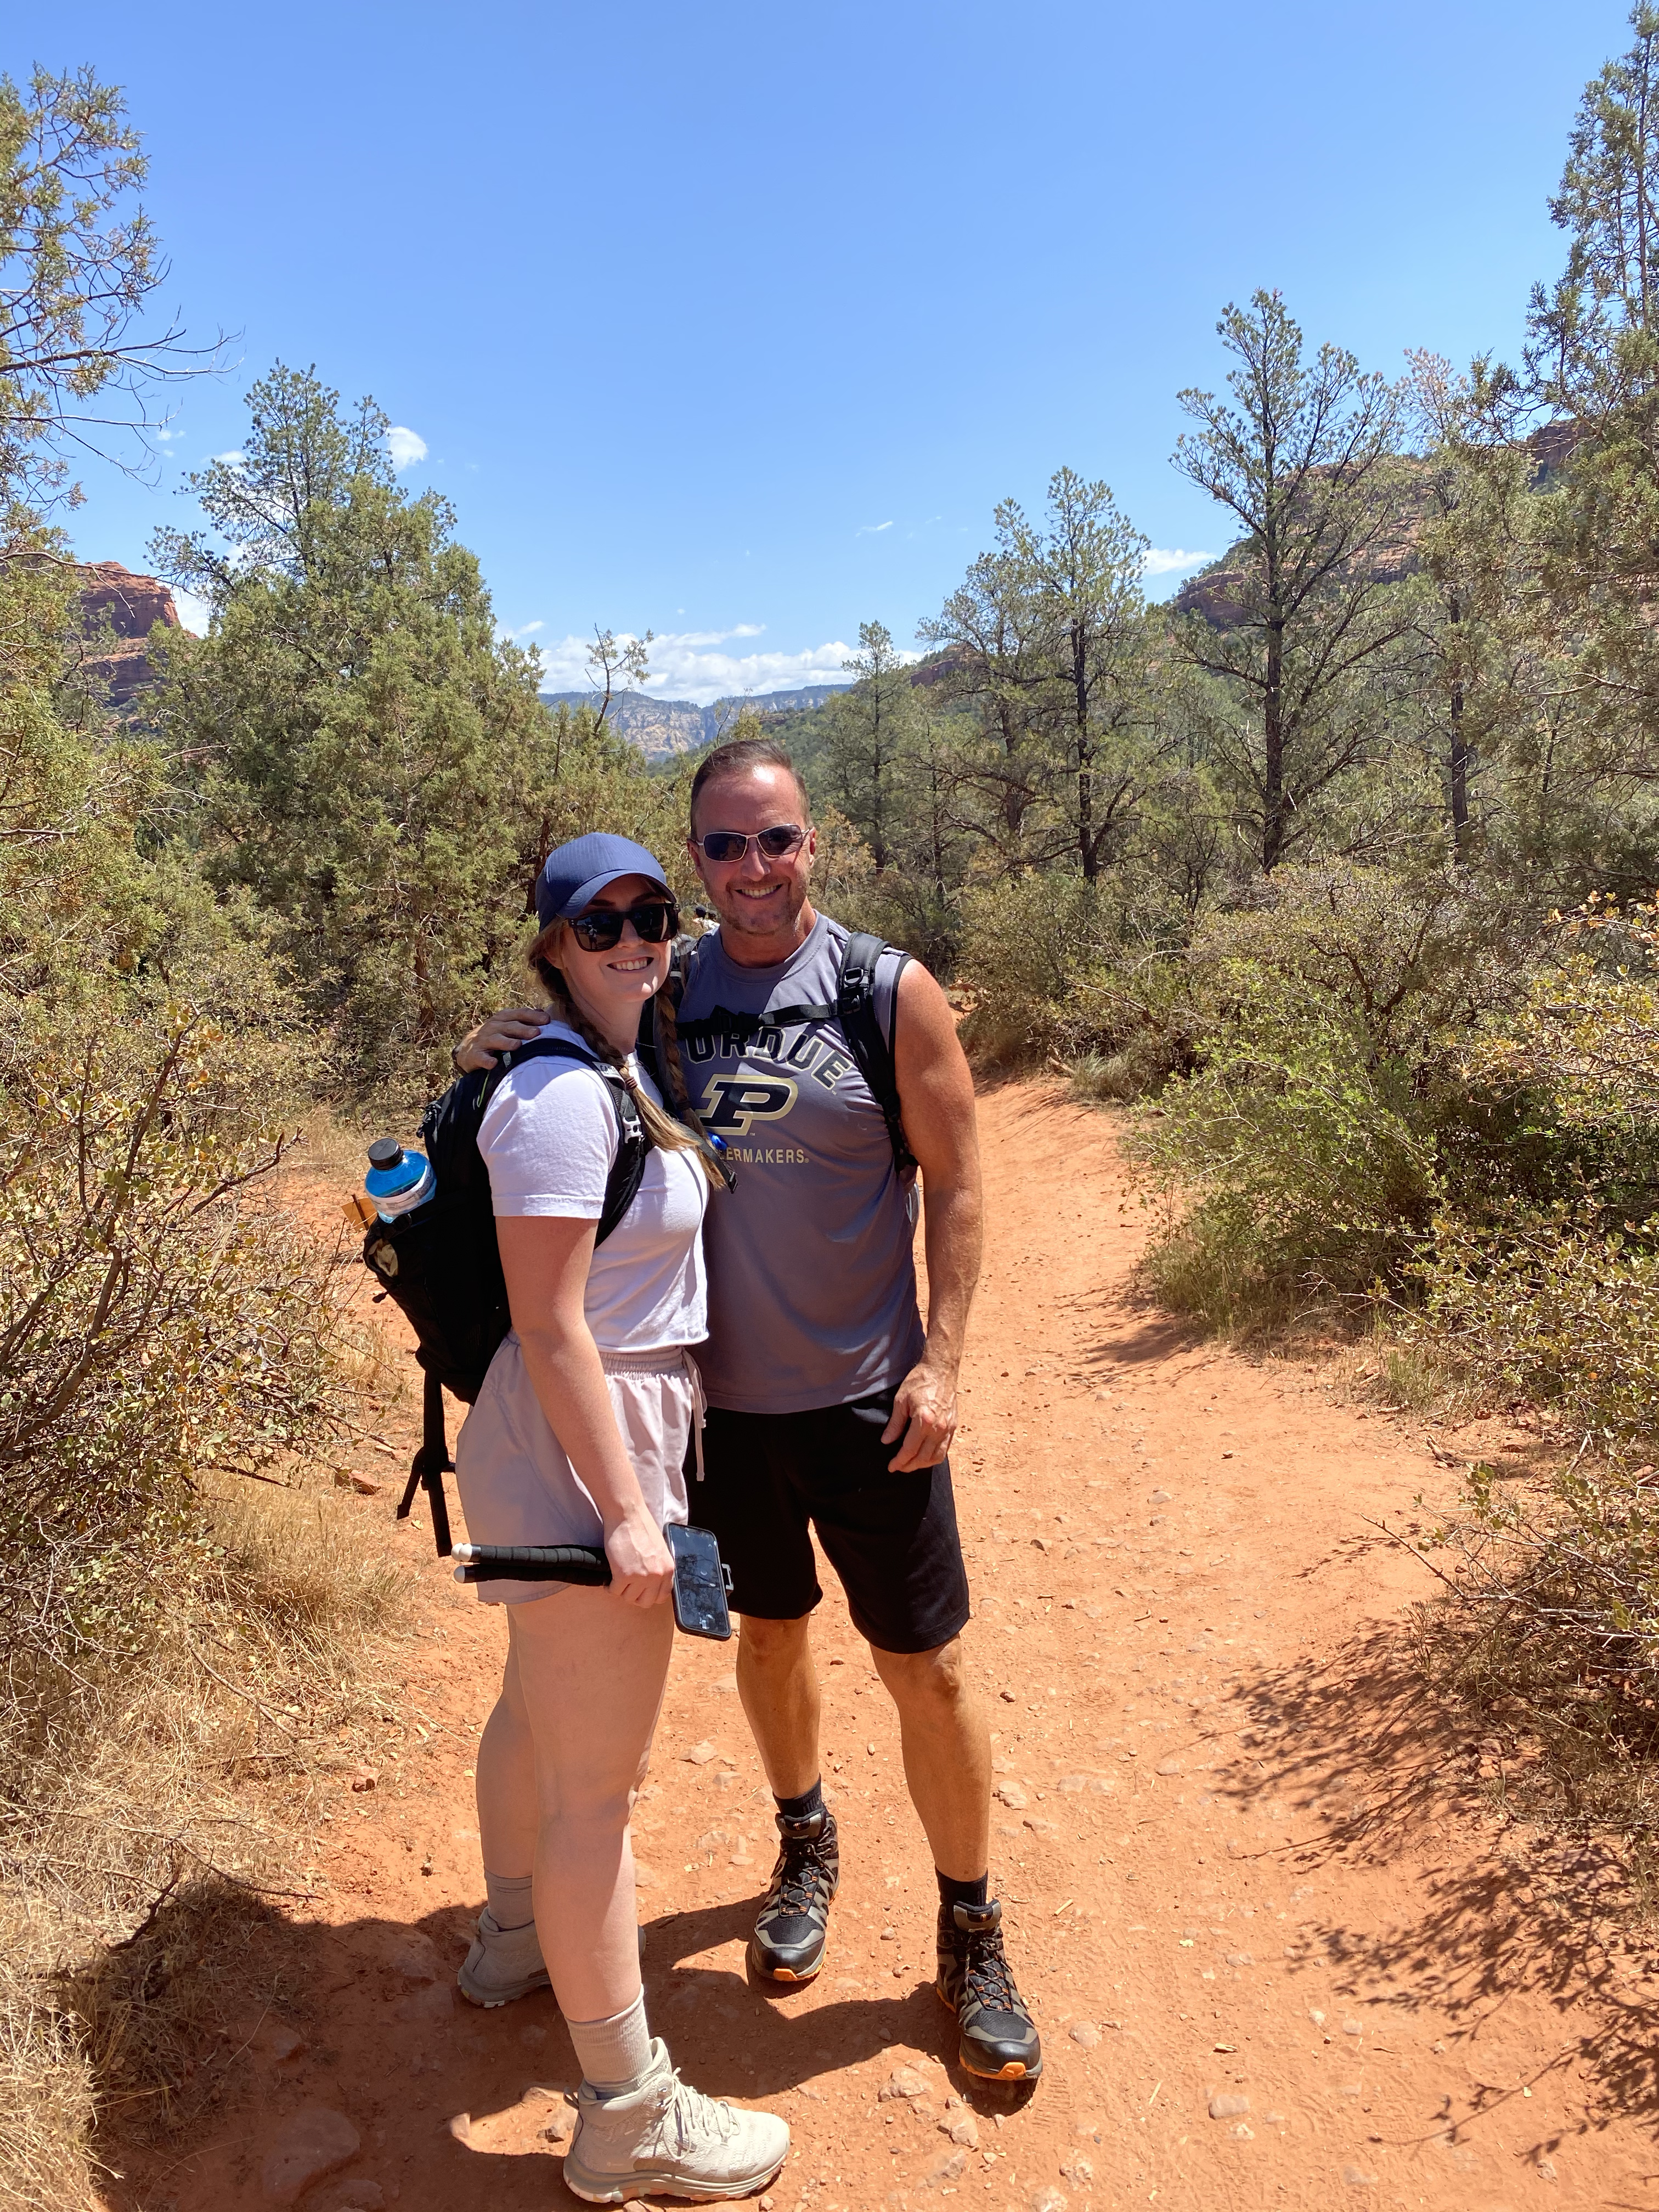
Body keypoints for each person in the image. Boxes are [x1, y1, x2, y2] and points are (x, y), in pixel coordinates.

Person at [459, 741, 1041, 2085]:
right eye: (720, 849)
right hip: (721, 1417)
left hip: (868, 1401)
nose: (750, 870)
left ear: (813, 841)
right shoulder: (666, 995)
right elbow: (581, 1083)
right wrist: (507, 1045)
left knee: (927, 1666)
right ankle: (805, 1839)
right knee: (771, 1642)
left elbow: (955, 1181)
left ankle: (970, 1924)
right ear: (695, 865)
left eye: (772, 840)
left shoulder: (885, 991)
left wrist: (943, 1359)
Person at [453, 830, 789, 2203]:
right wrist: (630, 1515)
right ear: (553, 941)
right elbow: (550, 1327)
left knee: (540, 1713)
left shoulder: (607, 1064)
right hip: (585, 1439)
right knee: (598, 1789)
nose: (638, 941)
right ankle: (625, 2112)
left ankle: (515, 1941)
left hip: (585, 1430)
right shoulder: (566, 1098)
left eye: (655, 915)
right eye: (603, 925)